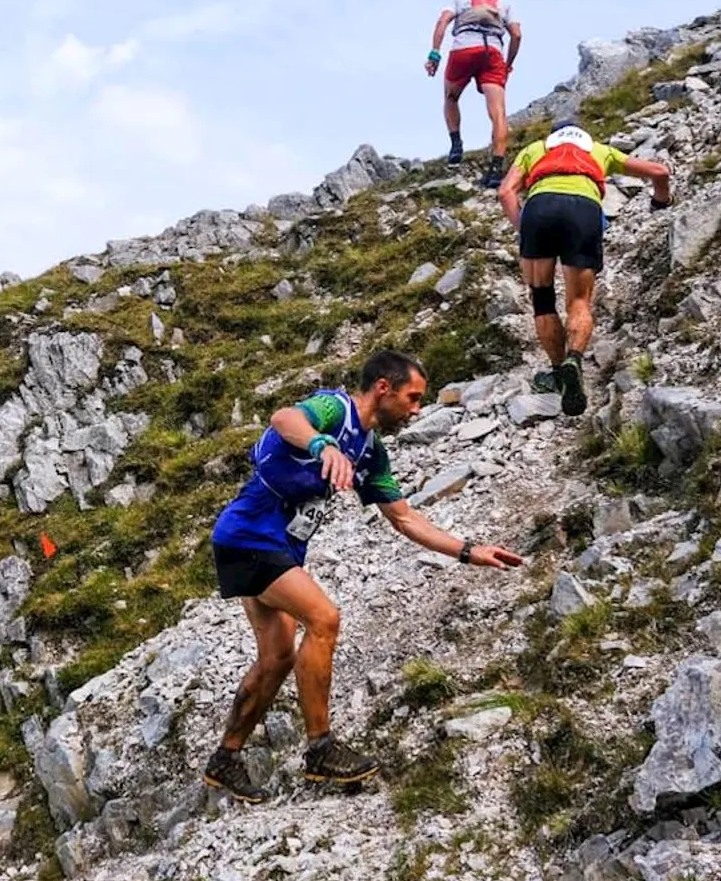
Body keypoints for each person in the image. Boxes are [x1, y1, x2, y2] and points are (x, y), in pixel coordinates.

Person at [201, 351, 526, 803]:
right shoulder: (334, 410)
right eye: (412, 398)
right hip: (248, 536)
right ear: (382, 388)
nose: (416, 411)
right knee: (324, 619)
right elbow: (283, 418)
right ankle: (321, 749)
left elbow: (405, 519)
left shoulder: (371, 451)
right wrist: (322, 445)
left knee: (276, 657)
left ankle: (225, 758)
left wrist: (470, 551)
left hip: (279, 547)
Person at [497, 117, 672, 417]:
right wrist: (661, 199)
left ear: (553, 137)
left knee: (542, 301)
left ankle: (556, 372)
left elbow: (505, 193)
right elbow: (659, 172)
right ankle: (573, 361)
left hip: (539, 208)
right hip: (583, 209)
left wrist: (522, 227)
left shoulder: (535, 149)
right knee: (579, 301)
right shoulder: (598, 150)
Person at [426, 0, 523, 186]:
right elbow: (516, 34)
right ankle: (496, 170)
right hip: (493, 53)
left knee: (451, 97)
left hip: (464, 49)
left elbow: (442, 21)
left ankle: (456, 145)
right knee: (498, 113)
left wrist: (435, 52)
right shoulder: (504, 2)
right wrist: (508, 64)